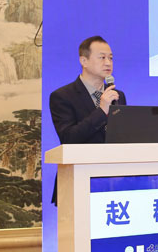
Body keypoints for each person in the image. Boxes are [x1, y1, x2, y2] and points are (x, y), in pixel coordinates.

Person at [49, 35, 126, 204]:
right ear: (84, 61)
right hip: (78, 181)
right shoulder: (62, 96)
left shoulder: (117, 95)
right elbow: (68, 138)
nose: (108, 63)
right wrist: (102, 111)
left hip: (115, 182)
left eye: (111, 58)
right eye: (102, 57)